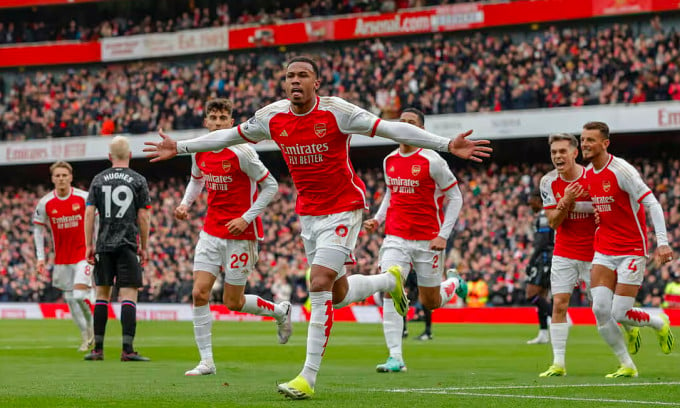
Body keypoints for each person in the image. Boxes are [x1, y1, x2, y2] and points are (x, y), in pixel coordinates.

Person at [144, 56, 491, 399]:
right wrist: (181, 148)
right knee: (337, 295)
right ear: (284, 84)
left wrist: (444, 144)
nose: (295, 81)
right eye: (290, 76)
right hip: (308, 214)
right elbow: (226, 137)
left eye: (303, 76)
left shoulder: (337, 111)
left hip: (344, 209)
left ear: (316, 83)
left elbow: (391, 128)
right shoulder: (271, 117)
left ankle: (307, 376)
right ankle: (390, 280)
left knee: (319, 282)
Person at [174, 98, 291, 376]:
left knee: (233, 303)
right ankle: (207, 362)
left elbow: (271, 186)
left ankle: (279, 311)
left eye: (222, 118)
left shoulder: (243, 153)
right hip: (210, 231)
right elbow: (197, 179)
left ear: (231, 122)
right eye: (212, 117)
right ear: (206, 121)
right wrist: (185, 204)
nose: (216, 123)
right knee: (199, 292)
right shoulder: (199, 149)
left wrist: (246, 217)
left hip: (241, 233)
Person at [363, 107, 467, 373]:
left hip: (428, 241)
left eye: (411, 123)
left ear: (421, 130)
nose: (405, 127)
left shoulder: (433, 161)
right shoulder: (389, 160)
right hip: (396, 238)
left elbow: (455, 198)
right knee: (390, 287)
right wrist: (378, 218)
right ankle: (395, 357)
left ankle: (454, 282)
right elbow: (391, 193)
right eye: (402, 122)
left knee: (430, 301)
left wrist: (443, 235)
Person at [581, 121, 674, 377]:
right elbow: (598, 208)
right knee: (600, 310)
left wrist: (662, 242)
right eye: (583, 139)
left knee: (619, 312)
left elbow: (652, 203)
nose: (585, 144)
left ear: (605, 143)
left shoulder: (622, 170)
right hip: (603, 249)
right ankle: (627, 365)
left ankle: (658, 323)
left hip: (631, 249)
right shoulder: (589, 174)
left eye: (590, 139)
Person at [84, 136, 151, 362]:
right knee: (129, 295)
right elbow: (144, 215)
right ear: (130, 155)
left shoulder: (98, 179)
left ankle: (98, 350)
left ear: (109, 156)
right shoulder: (138, 180)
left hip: (103, 244)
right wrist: (145, 245)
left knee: (102, 294)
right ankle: (127, 350)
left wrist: (89, 244)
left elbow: (89, 213)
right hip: (128, 244)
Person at [537, 133, 596, 376]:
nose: (558, 156)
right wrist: (566, 201)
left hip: (596, 254)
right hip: (564, 252)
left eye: (562, 151)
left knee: (604, 310)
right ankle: (558, 363)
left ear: (575, 153)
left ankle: (642, 326)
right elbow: (553, 222)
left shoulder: (592, 178)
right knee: (559, 304)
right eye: (554, 153)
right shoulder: (548, 182)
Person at [33, 161, 94, 352]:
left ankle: (93, 330)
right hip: (61, 259)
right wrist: (40, 257)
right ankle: (85, 336)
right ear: (52, 178)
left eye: (64, 175)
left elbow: (98, 219)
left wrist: (95, 246)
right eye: (57, 175)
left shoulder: (84, 198)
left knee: (78, 296)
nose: (61, 178)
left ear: (70, 177)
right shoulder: (45, 203)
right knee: (70, 300)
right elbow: (37, 230)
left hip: (83, 255)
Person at [525, 189, 554, 345]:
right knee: (541, 296)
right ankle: (543, 333)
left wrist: (531, 261)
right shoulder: (546, 214)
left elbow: (542, 242)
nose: (530, 205)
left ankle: (559, 317)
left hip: (544, 258)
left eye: (532, 201)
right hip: (548, 257)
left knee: (531, 294)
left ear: (538, 200)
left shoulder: (544, 215)